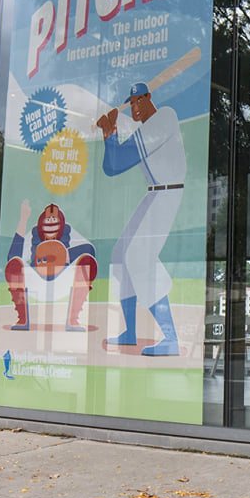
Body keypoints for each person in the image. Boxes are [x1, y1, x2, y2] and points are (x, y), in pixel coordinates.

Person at [95, 81, 184, 357]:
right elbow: (111, 167)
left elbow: (118, 162)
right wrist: (109, 133)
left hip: (168, 193)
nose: (134, 106)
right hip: (154, 193)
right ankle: (130, 331)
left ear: (148, 97)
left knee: (139, 258)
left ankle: (170, 338)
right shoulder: (146, 129)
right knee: (121, 255)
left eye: (137, 100)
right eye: (130, 102)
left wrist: (110, 135)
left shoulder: (165, 118)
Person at [3, 200, 96, 331]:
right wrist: (23, 219)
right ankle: (23, 319)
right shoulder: (34, 234)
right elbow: (12, 256)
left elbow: (90, 249)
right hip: (37, 282)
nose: (51, 221)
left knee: (87, 260)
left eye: (54, 219)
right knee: (15, 264)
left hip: (62, 281)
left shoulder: (68, 232)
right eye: (48, 219)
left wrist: (62, 255)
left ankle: (73, 319)